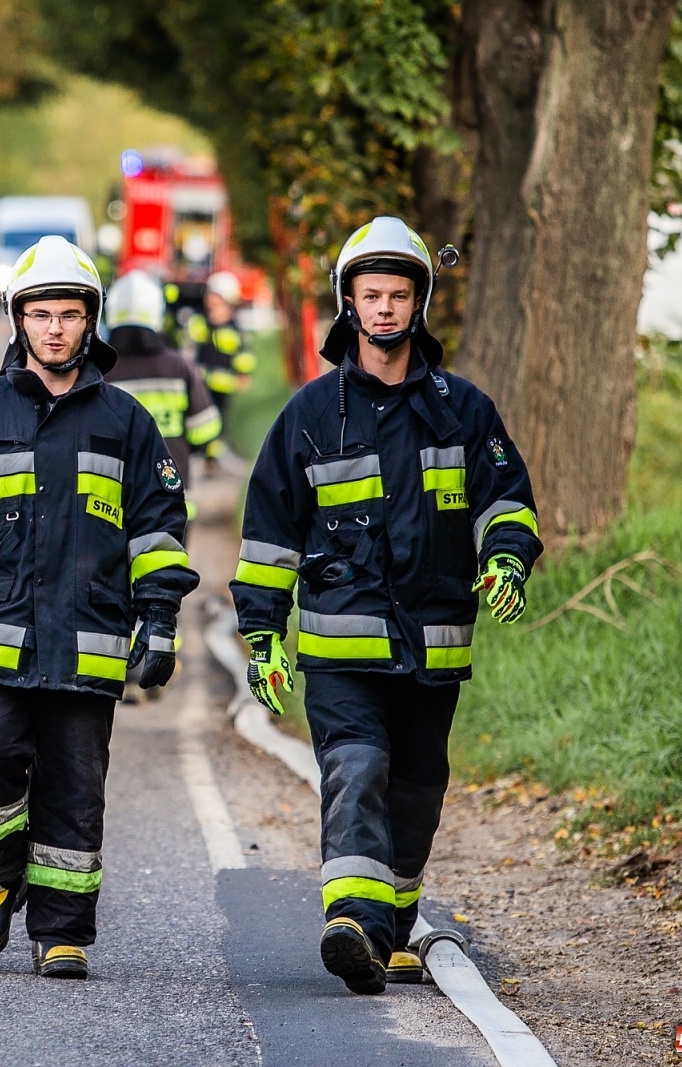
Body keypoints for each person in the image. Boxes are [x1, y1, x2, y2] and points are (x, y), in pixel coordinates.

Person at [230, 216, 541, 995]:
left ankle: (388, 925)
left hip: (434, 646)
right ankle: (352, 922)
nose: (384, 309)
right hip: (340, 649)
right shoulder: (308, 415)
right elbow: (270, 535)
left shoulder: (463, 410)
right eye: (370, 295)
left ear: (419, 302)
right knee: (357, 765)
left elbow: (506, 500)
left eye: (398, 294)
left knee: (417, 787)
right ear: (349, 303)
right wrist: (264, 636)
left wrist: (506, 556)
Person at [0, 236, 200, 980]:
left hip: (87, 641)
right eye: (41, 314)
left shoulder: (127, 424)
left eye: (69, 314)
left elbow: (158, 529)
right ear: (18, 320)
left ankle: (61, 930)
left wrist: (159, 621)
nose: (55, 328)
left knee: (72, 787)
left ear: (90, 322)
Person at [100, 269, 222, 699]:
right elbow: (207, 428)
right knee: (161, 583)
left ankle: (122, 669)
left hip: (109, 502)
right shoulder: (178, 366)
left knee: (114, 582)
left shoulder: (101, 369)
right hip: (173, 503)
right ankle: (159, 659)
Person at [186, 270, 255, 461]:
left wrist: (243, 374)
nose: (210, 301)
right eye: (210, 296)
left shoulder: (234, 328)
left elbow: (243, 356)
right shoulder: (201, 323)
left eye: (215, 297)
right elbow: (191, 349)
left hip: (223, 385)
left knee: (218, 421)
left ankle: (213, 458)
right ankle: (204, 454)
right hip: (201, 383)